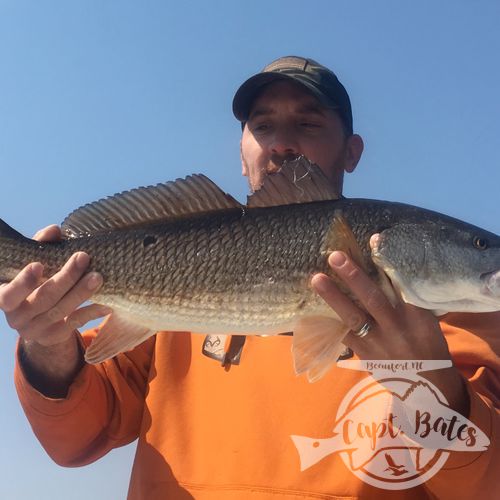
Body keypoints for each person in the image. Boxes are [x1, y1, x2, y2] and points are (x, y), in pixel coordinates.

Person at [1, 56, 499, 499]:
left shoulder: (464, 314)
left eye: (308, 123)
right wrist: (48, 345)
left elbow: (485, 483)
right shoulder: (164, 307)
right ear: (241, 152)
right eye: (262, 127)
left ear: (352, 151)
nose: (282, 143)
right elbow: (79, 438)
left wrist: (429, 383)